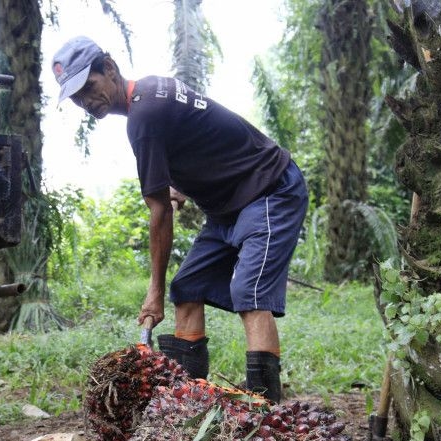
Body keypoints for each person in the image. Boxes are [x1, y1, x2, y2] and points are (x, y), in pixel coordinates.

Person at [51, 36, 308, 402]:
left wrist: (153, 291)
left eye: (89, 87)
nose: (86, 101)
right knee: (188, 286)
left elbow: (159, 212)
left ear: (109, 68)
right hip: (227, 206)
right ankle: (189, 405)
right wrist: (177, 184)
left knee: (249, 291)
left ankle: (265, 409)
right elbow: (198, 135)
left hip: (268, 188)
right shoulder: (152, 93)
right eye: (77, 97)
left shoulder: (144, 116)